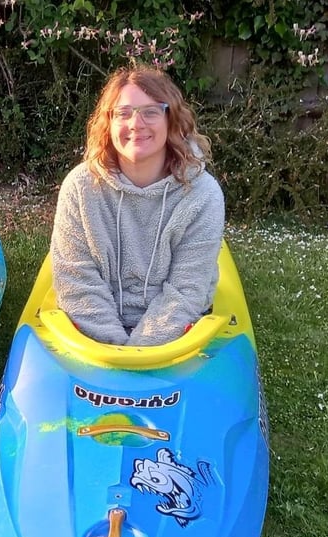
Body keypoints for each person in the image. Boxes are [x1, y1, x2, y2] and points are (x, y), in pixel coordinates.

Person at [50, 64, 225, 346]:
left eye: (150, 112)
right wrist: (114, 347)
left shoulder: (203, 194)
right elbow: (77, 281)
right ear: (109, 122)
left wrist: (139, 353)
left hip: (174, 335)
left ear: (171, 120)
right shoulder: (79, 188)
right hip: (95, 337)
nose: (136, 123)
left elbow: (187, 290)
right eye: (123, 113)